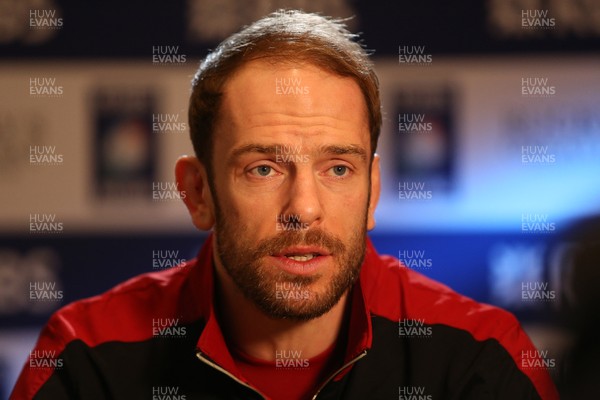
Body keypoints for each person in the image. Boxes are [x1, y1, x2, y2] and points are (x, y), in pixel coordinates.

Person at [12, 10, 558, 400]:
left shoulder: (477, 359)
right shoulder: (87, 359)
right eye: (264, 168)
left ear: (373, 190)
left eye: (338, 168)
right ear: (198, 192)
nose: (304, 209)